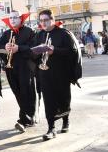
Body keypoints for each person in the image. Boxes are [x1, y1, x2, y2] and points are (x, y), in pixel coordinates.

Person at [34, 9, 81, 141]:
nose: (43, 23)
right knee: (48, 101)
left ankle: (66, 121)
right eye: (41, 20)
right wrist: (35, 53)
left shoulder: (63, 34)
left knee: (63, 98)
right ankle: (51, 128)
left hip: (61, 73)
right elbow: (32, 52)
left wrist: (55, 50)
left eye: (46, 20)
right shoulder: (39, 35)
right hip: (44, 73)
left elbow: (72, 51)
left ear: (52, 20)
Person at [0, 10, 37, 132]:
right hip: (11, 68)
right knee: (18, 93)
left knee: (27, 92)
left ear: (21, 19)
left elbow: (34, 49)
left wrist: (19, 48)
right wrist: (5, 47)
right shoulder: (5, 34)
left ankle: (25, 119)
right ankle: (28, 117)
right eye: (11, 18)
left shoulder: (29, 32)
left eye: (15, 17)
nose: (13, 20)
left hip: (25, 67)